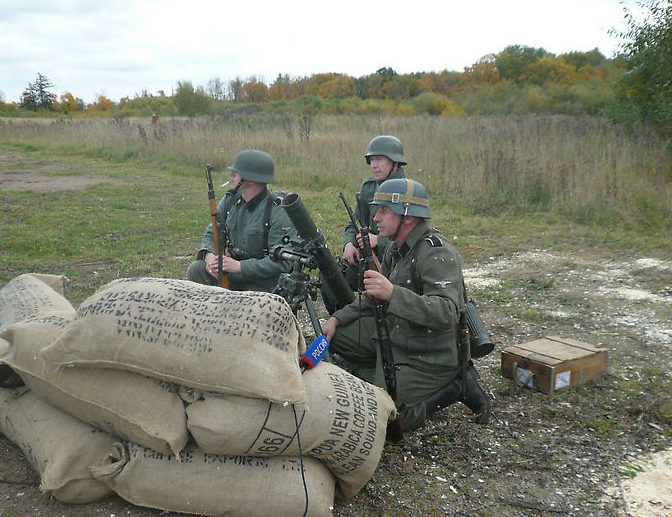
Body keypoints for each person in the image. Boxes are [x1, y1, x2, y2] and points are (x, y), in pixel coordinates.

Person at [322, 178, 489, 435]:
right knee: (339, 337)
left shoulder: (437, 253)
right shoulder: (397, 249)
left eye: (384, 211)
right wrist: (337, 319)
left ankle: (455, 386)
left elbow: (446, 312)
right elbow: (373, 295)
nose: (376, 218)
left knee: (385, 424)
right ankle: (382, 375)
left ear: (408, 216)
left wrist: (392, 294)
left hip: (430, 352)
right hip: (398, 334)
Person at [186, 149, 296, 293]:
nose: (231, 175)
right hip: (234, 273)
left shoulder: (278, 211)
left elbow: (283, 262)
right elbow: (213, 231)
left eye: (236, 173)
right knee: (197, 270)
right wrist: (210, 257)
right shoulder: (231, 200)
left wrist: (240, 267)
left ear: (251, 179)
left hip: (264, 283)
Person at [339, 135, 408, 295]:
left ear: (395, 162)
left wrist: (379, 241)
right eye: (371, 160)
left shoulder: (410, 191)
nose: (374, 165)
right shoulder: (369, 188)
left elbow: (414, 236)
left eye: (379, 160)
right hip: (368, 260)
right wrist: (348, 244)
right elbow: (353, 223)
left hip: (398, 265)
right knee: (333, 277)